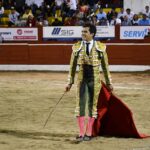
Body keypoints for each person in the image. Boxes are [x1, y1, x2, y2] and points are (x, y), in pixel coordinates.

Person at [65, 23, 113, 142]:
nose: (83, 34)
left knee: (92, 106)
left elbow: (105, 66)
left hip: (94, 80)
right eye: (82, 32)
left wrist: (109, 82)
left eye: (85, 32)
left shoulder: (100, 47)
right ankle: (81, 133)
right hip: (82, 80)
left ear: (92, 33)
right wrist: (69, 82)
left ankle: (89, 133)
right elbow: (72, 66)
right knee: (80, 106)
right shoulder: (77, 47)